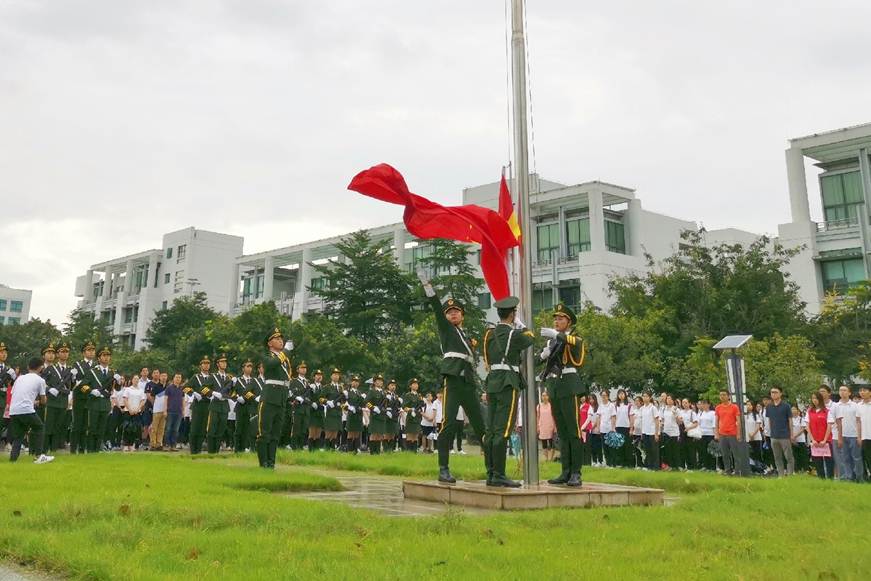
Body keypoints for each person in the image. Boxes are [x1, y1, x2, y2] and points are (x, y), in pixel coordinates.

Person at [418, 270, 487, 484]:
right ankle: (443, 469)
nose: (453, 314)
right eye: (450, 312)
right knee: (447, 424)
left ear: (462, 315)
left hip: (468, 382)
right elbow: (437, 308)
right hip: (452, 381)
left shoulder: (466, 335)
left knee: (481, 425)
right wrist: (428, 287)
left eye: (457, 311)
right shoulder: (446, 329)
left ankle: (493, 470)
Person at [481, 296, 534, 487]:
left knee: (491, 430)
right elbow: (531, 337)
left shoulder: (489, 334)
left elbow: (486, 358)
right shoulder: (514, 334)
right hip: (507, 383)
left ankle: (491, 472)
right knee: (503, 430)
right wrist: (521, 325)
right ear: (512, 314)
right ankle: (499, 475)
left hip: (493, 382)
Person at [538, 303, 587, 486]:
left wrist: (557, 336)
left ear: (569, 321)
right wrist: (542, 354)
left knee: (573, 431)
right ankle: (565, 471)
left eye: (561, 318)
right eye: (555, 318)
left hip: (569, 385)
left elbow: (578, 349)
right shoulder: (553, 342)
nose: (557, 321)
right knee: (563, 432)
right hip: (555, 387)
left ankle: (576, 472)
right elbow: (541, 360)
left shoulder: (574, 338)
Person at [256, 329, 294, 468]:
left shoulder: (284, 359)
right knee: (264, 433)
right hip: (269, 397)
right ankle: (263, 463)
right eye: (277, 339)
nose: (280, 341)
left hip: (282, 398)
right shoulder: (266, 354)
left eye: (281, 339)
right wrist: (285, 352)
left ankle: (271, 463)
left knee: (275, 434)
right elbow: (271, 364)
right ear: (269, 343)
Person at [7, 357, 53, 464]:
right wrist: (40, 401)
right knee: (40, 427)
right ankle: (39, 455)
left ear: (28, 367)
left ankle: (13, 459)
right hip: (26, 409)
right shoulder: (40, 380)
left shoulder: (20, 378)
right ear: (41, 368)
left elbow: (15, 394)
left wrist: (33, 402)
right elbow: (43, 400)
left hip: (14, 410)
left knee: (19, 435)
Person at [78, 346, 121, 453]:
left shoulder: (112, 372)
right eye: (104, 355)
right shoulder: (93, 371)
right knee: (92, 427)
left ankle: (98, 449)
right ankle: (91, 449)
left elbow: (117, 388)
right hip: (94, 403)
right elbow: (82, 386)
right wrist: (91, 391)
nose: (106, 358)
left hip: (105, 402)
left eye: (108, 356)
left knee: (102, 428)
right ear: (99, 358)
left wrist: (119, 381)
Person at [181, 356, 218, 455]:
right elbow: (185, 387)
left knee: (203, 428)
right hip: (198, 405)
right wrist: (193, 393)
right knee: (195, 428)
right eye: (204, 364)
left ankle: (199, 449)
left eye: (208, 364)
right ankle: (193, 449)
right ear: (201, 366)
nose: (206, 366)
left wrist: (212, 395)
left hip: (208, 405)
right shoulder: (196, 377)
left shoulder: (212, 377)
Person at [43, 341, 73, 453]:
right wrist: (49, 389)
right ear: (57, 354)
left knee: (58, 426)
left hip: (63, 401)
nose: (65, 354)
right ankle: (45, 449)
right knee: (49, 426)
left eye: (67, 352)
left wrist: (74, 378)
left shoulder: (71, 370)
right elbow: (41, 382)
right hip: (52, 401)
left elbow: (72, 387)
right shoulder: (51, 368)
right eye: (62, 351)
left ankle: (54, 449)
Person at [69, 341, 96, 454]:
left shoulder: (96, 366)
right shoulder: (77, 365)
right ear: (84, 352)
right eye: (89, 350)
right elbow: (74, 382)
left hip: (91, 397)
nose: (91, 352)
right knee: (77, 424)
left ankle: (82, 447)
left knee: (86, 424)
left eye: (93, 350)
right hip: (80, 396)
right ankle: (73, 448)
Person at [835, 385, 864, 482]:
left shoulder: (855, 406)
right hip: (842, 436)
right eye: (840, 390)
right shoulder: (836, 406)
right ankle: (849, 477)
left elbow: (859, 421)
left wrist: (859, 436)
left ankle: (859, 477)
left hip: (854, 435)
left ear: (849, 393)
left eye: (844, 390)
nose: (842, 392)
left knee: (856, 457)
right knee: (845, 458)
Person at [205, 354, 232, 454]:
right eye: (222, 362)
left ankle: (216, 451)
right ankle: (211, 451)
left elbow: (233, 391)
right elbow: (203, 388)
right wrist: (213, 393)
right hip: (215, 404)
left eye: (225, 362)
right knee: (212, 429)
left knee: (221, 429)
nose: (224, 364)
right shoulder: (213, 376)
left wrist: (229, 394)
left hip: (224, 405)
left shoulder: (229, 377)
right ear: (217, 364)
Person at [231, 360, 260, 453]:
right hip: (241, 406)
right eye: (247, 366)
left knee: (249, 428)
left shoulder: (254, 380)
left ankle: (246, 447)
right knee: (239, 428)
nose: (249, 368)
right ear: (243, 368)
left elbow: (252, 392)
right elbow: (231, 391)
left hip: (251, 406)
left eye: (251, 366)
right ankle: (237, 448)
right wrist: (237, 398)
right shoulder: (237, 380)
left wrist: (245, 397)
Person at [765, 386, 794, 477]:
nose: (773, 394)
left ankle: (789, 474)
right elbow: (769, 420)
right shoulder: (769, 406)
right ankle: (780, 475)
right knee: (777, 457)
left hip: (784, 435)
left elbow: (790, 420)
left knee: (788, 456)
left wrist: (791, 434)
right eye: (772, 392)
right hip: (774, 435)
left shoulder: (786, 406)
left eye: (775, 392)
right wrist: (769, 432)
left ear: (780, 393)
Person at [807, 392, 833, 479]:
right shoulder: (809, 411)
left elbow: (829, 426)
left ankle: (830, 478)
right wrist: (812, 440)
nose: (814, 400)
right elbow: (807, 426)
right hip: (814, 441)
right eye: (813, 398)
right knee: (817, 461)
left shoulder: (826, 411)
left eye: (816, 398)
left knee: (828, 461)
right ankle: (821, 479)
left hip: (826, 441)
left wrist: (825, 440)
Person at [714, 389, 740, 475]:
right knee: (725, 454)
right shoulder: (718, 407)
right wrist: (716, 433)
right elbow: (717, 421)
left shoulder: (734, 407)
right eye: (721, 395)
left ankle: (737, 471)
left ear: (728, 396)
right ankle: (727, 470)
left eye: (724, 395)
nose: (722, 396)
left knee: (735, 454)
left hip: (732, 433)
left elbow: (738, 421)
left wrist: (738, 434)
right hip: (722, 434)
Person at [287, 362, 310, 450]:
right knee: (296, 428)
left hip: (306, 408)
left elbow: (309, 396)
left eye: (305, 368)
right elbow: (289, 394)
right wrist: (296, 397)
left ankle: (300, 446)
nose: (304, 369)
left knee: (304, 429)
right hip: (297, 408)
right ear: (297, 370)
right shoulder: (293, 381)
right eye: (302, 368)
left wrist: (306, 400)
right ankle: (293, 446)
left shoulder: (308, 382)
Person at [121, 376, 147, 452]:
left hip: (137, 412)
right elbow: (125, 399)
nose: (136, 380)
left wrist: (138, 408)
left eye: (137, 379)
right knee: (127, 428)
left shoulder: (141, 390)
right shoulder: (128, 389)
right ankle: (126, 445)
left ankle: (131, 445)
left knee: (134, 429)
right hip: (128, 411)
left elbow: (142, 401)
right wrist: (130, 409)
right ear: (132, 380)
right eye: (134, 379)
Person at [322, 368, 345, 452]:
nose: (336, 376)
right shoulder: (327, 387)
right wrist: (327, 401)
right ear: (331, 376)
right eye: (334, 375)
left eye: (338, 375)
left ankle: (332, 449)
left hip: (338, 412)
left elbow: (343, 401)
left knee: (335, 432)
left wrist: (344, 397)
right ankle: (327, 448)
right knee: (329, 432)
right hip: (330, 412)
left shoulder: (341, 388)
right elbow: (320, 398)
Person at [364, 374, 388, 454]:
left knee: (380, 434)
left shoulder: (384, 393)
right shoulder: (372, 391)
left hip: (382, 415)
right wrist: (373, 408)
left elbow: (385, 404)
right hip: (375, 415)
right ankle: (372, 451)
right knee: (374, 434)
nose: (380, 382)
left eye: (381, 381)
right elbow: (366, 402)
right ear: (374, 382)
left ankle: (377, 451)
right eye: (378, 381)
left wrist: (385, 410)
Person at [638, 391, 660, 471]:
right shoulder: (642, 408)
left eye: (646, 396)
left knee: (654, 450)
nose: (645, 398)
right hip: (645, 432)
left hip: (652, 432)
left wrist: (656, 433)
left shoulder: (653, 408)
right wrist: (641, 433)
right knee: (647, 450)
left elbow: (657, 421)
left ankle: (656, 467)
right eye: (643, 396)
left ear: (650, 398)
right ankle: (649, 466)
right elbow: (642, 421)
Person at [344, 375, 366, 453]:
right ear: (351, 382)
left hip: (359, 414)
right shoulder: (347, 392)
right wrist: (349, 407)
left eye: (357, 382)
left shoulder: (359, 392)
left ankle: (356, 449)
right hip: (351, 414)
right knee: (350, 432)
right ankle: (350, 449)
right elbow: (344, 403)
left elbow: (363, 404)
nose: (355, 383)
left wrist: (363, 400)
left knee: (357, 433)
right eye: (354, 381)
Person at [401, 378, 424, 453]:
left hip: (417, 418)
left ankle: (414, 451)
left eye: (417, 384)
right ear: (410, 386)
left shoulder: (419, 396)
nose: (416, 385)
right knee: (410, 435)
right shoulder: (408, 395)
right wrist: (411, 410)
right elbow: (404, 407)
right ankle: (409, 451)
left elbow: (421, 405)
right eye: (414, 384)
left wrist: (419, 410)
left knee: (416, 435)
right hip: (411, 417)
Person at [148, 371, 168, 451]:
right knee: (154, 428)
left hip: (164, 410)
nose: (163, 377)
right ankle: (153, 444)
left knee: (161, 428)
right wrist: (155, 404)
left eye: (165, 376)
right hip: (157, 410)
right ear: (160, 377)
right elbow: (152, 397)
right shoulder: (156, 387)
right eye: (162, 376)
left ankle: (159, 444)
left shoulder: (168, 387)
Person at [164, 373, 184, 451]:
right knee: (168, 428)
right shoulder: (169, 388)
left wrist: (183, 410)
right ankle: (167, 445)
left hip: (178, 412)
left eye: (179, 377)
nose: (178, 379)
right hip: (170, 411)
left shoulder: (182, 389)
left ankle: (173, 445)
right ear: (173, 378)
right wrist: (165, 410)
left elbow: (183, 400)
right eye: (177, 377)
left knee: (176, 430)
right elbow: (165, 399)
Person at [598, 389, 617, 467]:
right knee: (605, 447)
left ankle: (613, 464)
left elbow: (613, 417)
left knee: (611, 447)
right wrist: (599, 427)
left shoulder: (611, 405)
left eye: (605, 396)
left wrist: (613, 428)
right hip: (603, 429)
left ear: (608, 396)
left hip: (610, 428)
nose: (603, 397)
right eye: (602, 396)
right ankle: (608, 463)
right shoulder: (601, 405)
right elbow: (599, 417)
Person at [307, 369, 325, 451]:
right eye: (317, 375)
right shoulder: (310, 386)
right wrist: (311, 403)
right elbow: (306, 398)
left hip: (320, 411)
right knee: (312, 432)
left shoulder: (323, 387)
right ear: (314, 377)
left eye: (320, 375)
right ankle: (311, 450)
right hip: (313, 411)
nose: (319, 376)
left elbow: (325, 398)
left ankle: (316, 449)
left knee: (318, 432)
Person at [680, 398, 700, 470]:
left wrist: (688, 428)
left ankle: (693, 467)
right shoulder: (681, 412)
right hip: (683, 433)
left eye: (686, 403)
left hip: (690, 433)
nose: (684, 404)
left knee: (691, 450)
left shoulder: (692, 413)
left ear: (689, 403)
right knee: (684, 450)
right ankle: (687, 466)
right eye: (683, 402)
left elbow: (696, 423)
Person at [536, 390, 556, 463]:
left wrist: (555, 426)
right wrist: (537, 427)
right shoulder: (539, 406)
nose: (544, 397)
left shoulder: (551, 405)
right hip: (542, 426)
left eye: (545, 395)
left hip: (550, 425)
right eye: (543, 395)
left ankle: (551, 458)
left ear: (548, 397)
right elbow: (538, 417)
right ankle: (546, 458)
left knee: (551, 443)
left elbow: (554, 416)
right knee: (544, 443)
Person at [614, 389, 632, 468]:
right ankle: (621, 463)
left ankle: (628, 463)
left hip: (626, 427)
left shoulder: (629, 405)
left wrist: (631, 429)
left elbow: (631, 417)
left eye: (622, 393)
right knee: (619, 446)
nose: (621, 395)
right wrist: (613, 427)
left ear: (625, 395)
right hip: (618, 427)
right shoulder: (615, 405)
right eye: (619, 394)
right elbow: (613, 417)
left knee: (627, 446)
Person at [697, 399, 717, 471]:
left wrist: (715, 435)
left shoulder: (712, 413)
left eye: (705, 404)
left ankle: (712, 467)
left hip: (710, 434)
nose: (704, 405)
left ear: (709, 405)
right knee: (703, 451)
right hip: (702, 434)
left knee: (711, 451)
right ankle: (705, 466)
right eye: (703, 404)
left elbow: (714, 425)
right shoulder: (700, 413)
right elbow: (698, 424)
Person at [791, 404, 809, 474]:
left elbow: (802, 429)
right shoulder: (789, 419)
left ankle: (805, 469)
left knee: (803, 455)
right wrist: (792, 438)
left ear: (798, 411)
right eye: (792, 409)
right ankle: (796, 469)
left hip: (801, 439)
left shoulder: (801, 419)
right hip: (792, 440)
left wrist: (794, 436)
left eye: (794, 409)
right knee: (794, 455)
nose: (793, 411)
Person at [858, 385, 871, 481]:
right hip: (863, 436)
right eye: (860, 390)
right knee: (863, 458)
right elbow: (857, 421)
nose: (862, 392)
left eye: (864, 390)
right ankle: (865, 478)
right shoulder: (858, 406)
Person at [744, 399, 763, 465]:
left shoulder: (756, 415)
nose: (748, 406)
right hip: (747, 438)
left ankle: (759, 467)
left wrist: (752, 434)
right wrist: (748, 435)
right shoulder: (743, 416)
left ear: (753, 406)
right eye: (747, 405)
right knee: (749, 454)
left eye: (750, 405)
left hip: (756, 438)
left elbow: (758, 426)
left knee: (757, 454)